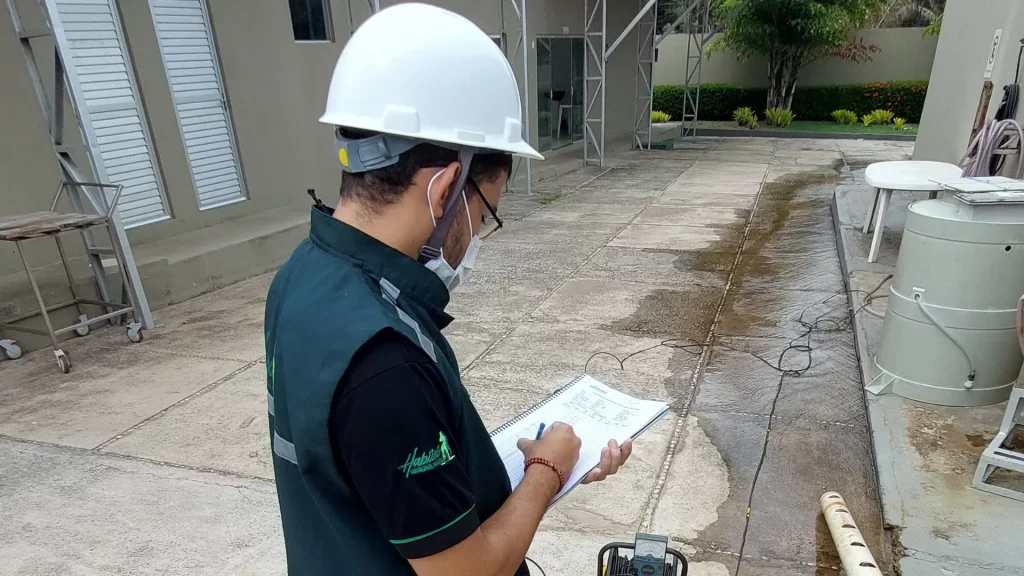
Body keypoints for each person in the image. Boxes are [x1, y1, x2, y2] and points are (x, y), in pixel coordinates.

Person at [264, 4, 632, 576]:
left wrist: (514, 461)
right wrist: (547, 473)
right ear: (444, 191)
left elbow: (374, 470)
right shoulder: (385, 366)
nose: (477, 235)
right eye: (484, 214)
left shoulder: (302, 275)